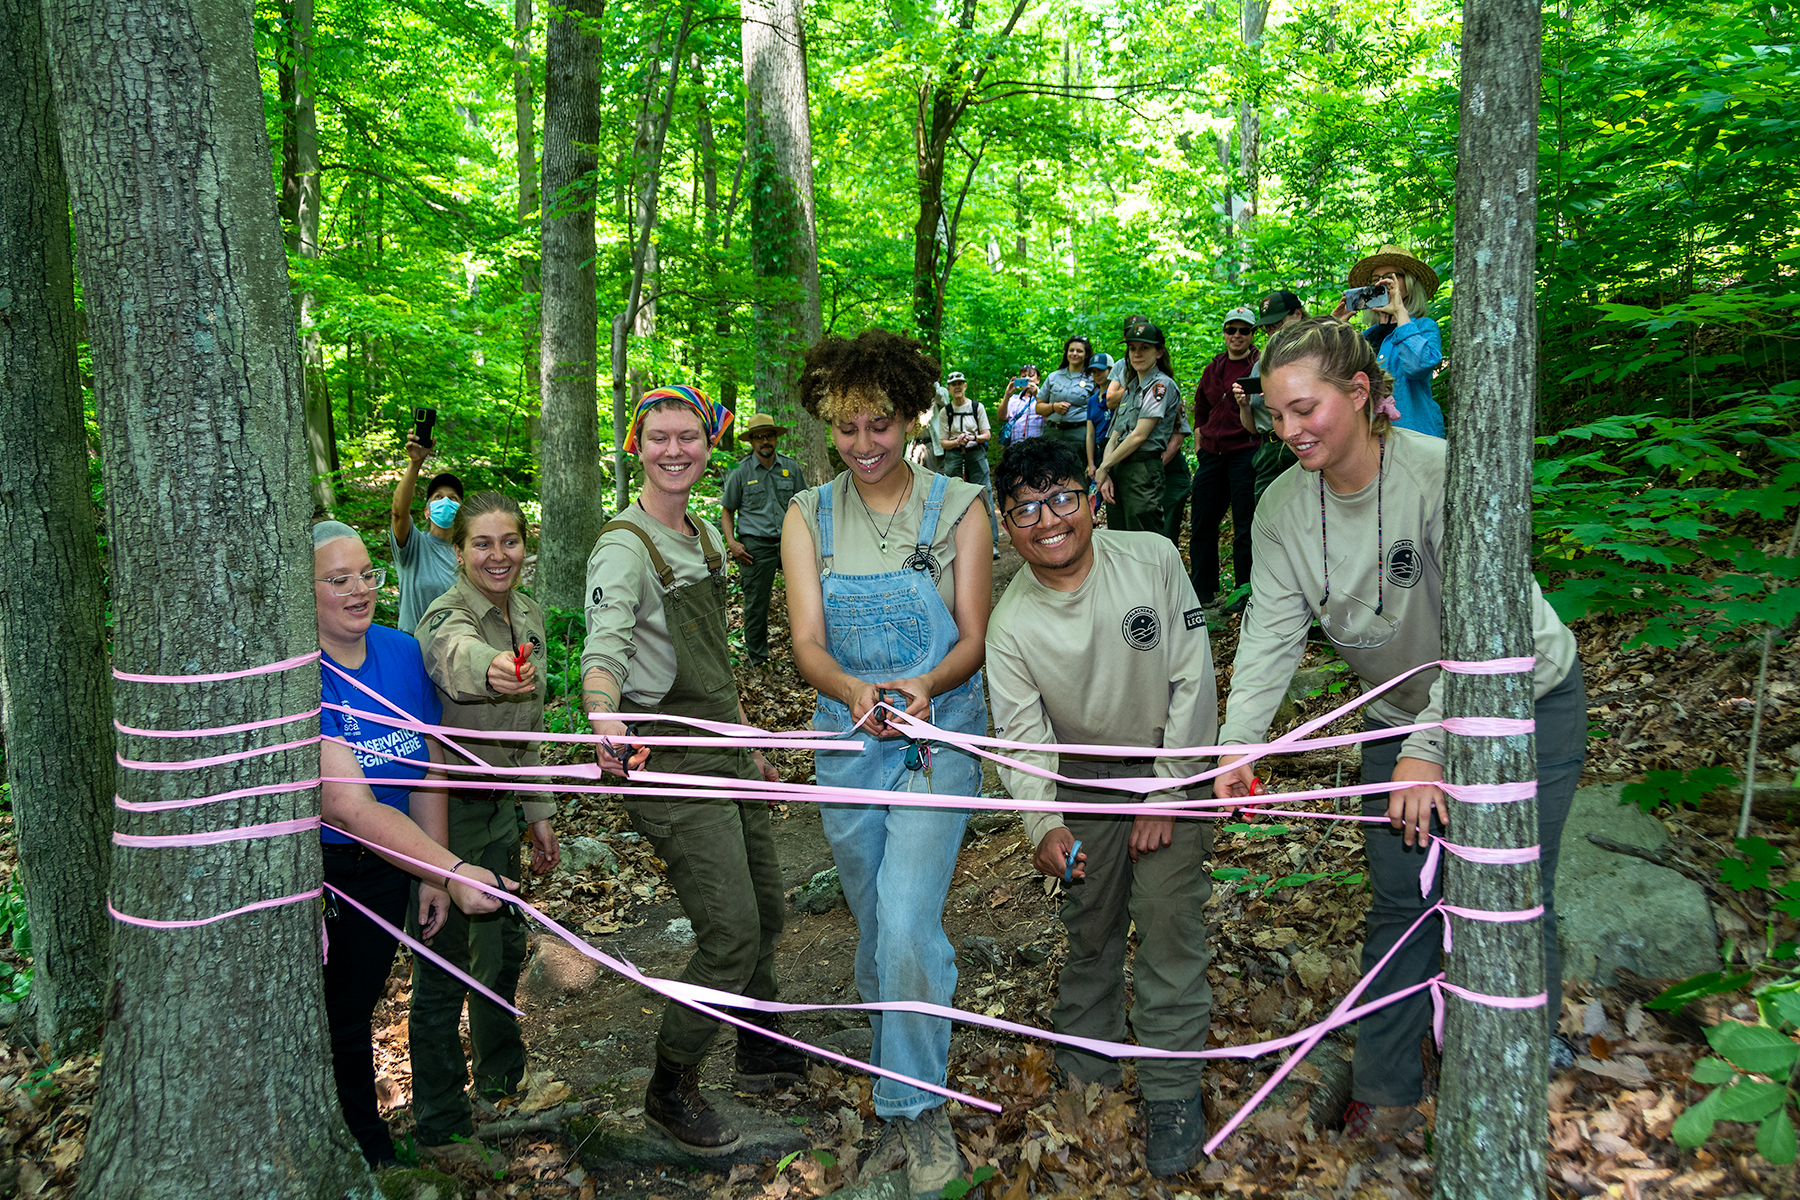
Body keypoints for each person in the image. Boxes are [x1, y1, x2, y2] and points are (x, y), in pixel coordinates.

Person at [1213, 318, 1586, 1141]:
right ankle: (1385, 1092)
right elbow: (1272, 634)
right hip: (1393, 713)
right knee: (1398, 905)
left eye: (1305, 408)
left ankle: (1511, 1069)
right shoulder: (1280, 507)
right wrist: (1242, 744)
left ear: (1362, 395)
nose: (1290, 430)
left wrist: (1431, 748)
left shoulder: (1441, 474)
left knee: (1507, 896)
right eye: (1275, 416)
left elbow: (1492, 637)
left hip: (1526, 701)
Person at [781, 330, 992, 1198]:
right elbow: (804, 643)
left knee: (907, 919)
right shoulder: (807, 515)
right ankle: (901, 1051)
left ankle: (916, 1110)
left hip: (938, 742)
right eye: (847, 428)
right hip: (847, 740)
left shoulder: (960, 507)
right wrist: (854, 690)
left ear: (911, 418)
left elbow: (973, 638)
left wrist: (923, 684)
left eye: (880, 425)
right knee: (876, 929)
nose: (864, 446)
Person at [987, 438, 1217, 1178]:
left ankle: (1172, 1091)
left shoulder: (1151, 557)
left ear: (1092, 498)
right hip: (1081, 781)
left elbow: (1194, 678)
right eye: (1025, 508)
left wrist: (1172, 785)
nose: (1047, 520)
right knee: (1091, 925)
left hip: (1166, 761)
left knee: (1168, 921)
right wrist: (1044, 822)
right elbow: (1023, 738)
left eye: (1061, 498)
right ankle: (1086, 1070)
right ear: (1005, 522)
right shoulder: (1011, 623)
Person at [581, 385, 794, 1158]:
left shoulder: (705, 533)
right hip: (665, 762)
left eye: (690, 438)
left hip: (723, 748)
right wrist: (603, 717)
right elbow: (602, 649)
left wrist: (750, 743)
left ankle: (762, 1047)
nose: (676, 451)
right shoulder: (623, 547)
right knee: (730, 933)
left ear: (710, 447)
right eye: (660, 438)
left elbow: (714, 666)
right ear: (636, 446)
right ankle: (670, 1090)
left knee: (768, 909)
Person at [312, 520, 511, 1168]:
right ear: (305, 590)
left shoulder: (398, 653)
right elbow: (347, 805)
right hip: (339, 871)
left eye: (366, 574)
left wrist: (430, 872)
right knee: (344, 1015)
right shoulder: (302, 678)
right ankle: (367, 1154)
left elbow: (427, 764)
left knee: (368, 1002)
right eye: (338, 579)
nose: (359, 589)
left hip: (401, 862)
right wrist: (451, 870)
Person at [412, 492, 559, 1159]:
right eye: (482, 544)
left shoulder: (526, 612)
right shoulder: (445, 616)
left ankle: (503, 1082)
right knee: (445, 966)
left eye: (510, 541)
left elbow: (525, 730)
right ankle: (440, 1121)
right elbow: (453, 657)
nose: (498, 555)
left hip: (500, 805)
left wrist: (538, 814)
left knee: (503, 948)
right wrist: (491, 669)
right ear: (457, 549)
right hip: (447, 812)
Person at [1191, 305, 1262, 609]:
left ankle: (1243, 592)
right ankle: (1202, 592)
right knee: (1203, 522)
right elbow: (1201, 407)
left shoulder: (1260, 365)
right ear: (1224, 333)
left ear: (1252, 334)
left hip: (1244, 452)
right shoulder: (1214, 368)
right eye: (1231, 330)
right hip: (1211, 454)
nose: (1236, 336)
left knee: (1244, 524)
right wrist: (1198, 442)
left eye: (1243, 330)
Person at [722, 413, 805, 667]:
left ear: (775, 438)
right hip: (755, 545)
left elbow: (804, 504)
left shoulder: (790, 468)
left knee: (806, 597)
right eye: (759, 437)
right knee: (757, 604)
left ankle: (808, 653)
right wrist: (732, 543)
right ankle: (758, 658)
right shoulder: (742, 472)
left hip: (790, 541)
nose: (764, 441)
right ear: (752, 442)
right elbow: (727, 509)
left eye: (768, 436)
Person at [1340, 245, 1444, 437]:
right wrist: (1334, 324)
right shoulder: (1363, 338)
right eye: (1374, 280)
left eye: (1389, 277)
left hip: (1416, 436)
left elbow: (1418, 366)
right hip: (1371, 439)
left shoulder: (1424, 327)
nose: (1380, 283)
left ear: (1409, 283)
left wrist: (1399, 312)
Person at [1095, 321, 1183, 534]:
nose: (1137, 354)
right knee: (1120, 537)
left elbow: (1139, 436)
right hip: (1118, 468)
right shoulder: (1130, 389)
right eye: (1132, 348)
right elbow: (1114, 435)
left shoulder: (1161, 386)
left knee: (1144, 539)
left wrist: (1103, 466)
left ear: (1159, 352)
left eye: (1145, 348)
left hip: (1142, 470)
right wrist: (1106, 472)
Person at [390, 435, 464, 634]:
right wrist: (415, 463)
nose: (446, 502)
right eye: (438, 497)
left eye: (453, 498)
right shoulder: (414, 545)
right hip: (412, 647)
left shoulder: (467, 554)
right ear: (427, 511)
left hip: (453, 650)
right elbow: (398, 513)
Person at [1238, 291, 1306, 504]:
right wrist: (1244, 405)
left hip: (1302, 443)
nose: (1271, 332)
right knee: (1267, 513)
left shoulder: (1314, 355)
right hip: (1269, 450)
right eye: (1266, 327)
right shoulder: (1261, 365)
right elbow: (1252, 427)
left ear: (1297, 315)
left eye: (1276, 324)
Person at [933, 371, 1001, 560]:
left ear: (965, 386)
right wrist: (957, 442)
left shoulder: (976, 407)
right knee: (952, 496)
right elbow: (943, 442)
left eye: (960, 383)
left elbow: (986, 434)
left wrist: (972, 438)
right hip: (954, 456)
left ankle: (992, 544)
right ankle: (955, 543)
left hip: (976, 453)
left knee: (985, 495)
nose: (957, 387)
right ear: (948, 388)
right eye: (953, 384)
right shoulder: (945, 411)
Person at [1037, 337, 1096, 456]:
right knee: (1048, 472)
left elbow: (1099, 408)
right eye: (1071, 350)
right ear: (1067, 353)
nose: (1074, 354)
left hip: (1079, 434)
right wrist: (1053, 407)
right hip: (1053, 433)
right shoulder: (1054, 377)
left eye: (1079, 351)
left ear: (1086, 355)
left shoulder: (1093, 378)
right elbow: (1038, 407)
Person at [1158, 407, 1193, 546]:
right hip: (1140, 471)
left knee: (1167, 530)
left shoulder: (1170, 394)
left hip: (1171, 471)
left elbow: (1177, 441)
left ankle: (1167, 565)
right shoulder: (1131, 394)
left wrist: (1154, 467)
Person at [999, 363, 1044, 444]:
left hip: (1037, 445)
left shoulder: (1045, 397)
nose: (1027, 379)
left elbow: (1048, 417)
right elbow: (1002, 416)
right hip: (1016, 446)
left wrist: (1037, 394)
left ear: (1038, 379)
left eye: (1030, 376)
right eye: (1023, 376)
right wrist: (1007, 394)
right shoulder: (1014, 399)